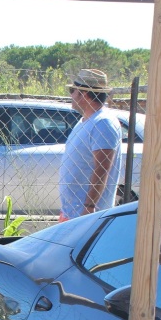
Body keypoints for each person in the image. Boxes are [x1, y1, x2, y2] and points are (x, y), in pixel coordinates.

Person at [59, 68, 123, 220]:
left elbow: (101, 169)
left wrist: (89, 207)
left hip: (87, 216)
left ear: (85, 94)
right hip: (74, 213)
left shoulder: (103, 123)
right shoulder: (86, 121)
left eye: (72, 90)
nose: (71, 95)